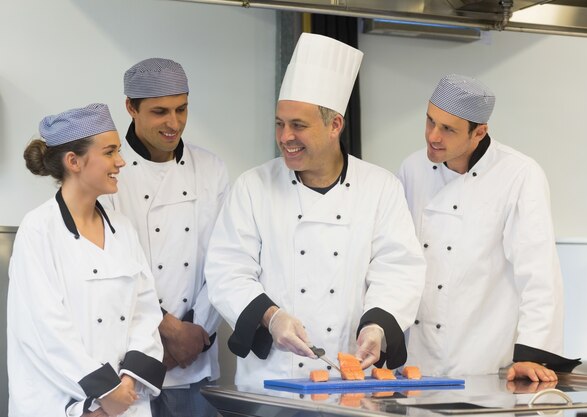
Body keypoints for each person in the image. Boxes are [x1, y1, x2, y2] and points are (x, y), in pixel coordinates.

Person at [204, 33, 426, 387]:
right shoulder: (253, 186)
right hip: (273, 381)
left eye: (298, 125)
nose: (285, 136)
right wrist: (271, 317)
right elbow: (226, 271)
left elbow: (398, 269)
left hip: (351, 381)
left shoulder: (380, 187)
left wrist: (377, 326)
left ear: (335, 125)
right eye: (280, 123)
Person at [398, 74, 579, 382]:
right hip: (416, 364)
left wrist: (532, 355)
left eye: (448, 129)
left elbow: (538, 273)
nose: (433, 136)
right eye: (430, 121)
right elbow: (399, 260)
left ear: (479, 132)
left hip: (482, 362)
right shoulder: (411, 169)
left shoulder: (519, 174)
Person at [8, 103, 166, 417]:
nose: (121, 162)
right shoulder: (38, 229)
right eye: (109, 152)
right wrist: (102, 395)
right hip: (63, 404)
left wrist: (126, 385)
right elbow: (44, 330)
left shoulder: (122, 228)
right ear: (74, 161)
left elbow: (146, 312)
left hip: (124, 403)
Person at [101, 58, 228, 417]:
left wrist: (195, 333)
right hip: (128, 367)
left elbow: (224, 261)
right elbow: (114, 269)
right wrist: (167, 333)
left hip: (195, 365)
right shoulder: (111, 172)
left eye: (181, 109)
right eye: (160, 112)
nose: (174, 123)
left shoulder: (211, 168)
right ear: (130, 107)